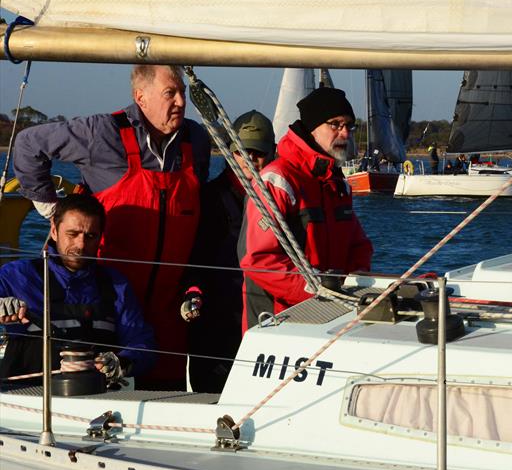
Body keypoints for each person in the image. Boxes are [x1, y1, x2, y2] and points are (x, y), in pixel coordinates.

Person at [12, 65, 210, 390]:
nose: (180, 102)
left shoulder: (196, 141)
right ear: (140, 97)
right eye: (169, 93)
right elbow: (28, 144)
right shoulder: (101, 132)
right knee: (103, 394)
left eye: (182, 93)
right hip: (109, 302)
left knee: (166, 398)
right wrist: (53, 211)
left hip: (168, 308)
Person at [238, 87, 373, 332]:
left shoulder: (337, 183)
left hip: (334, 315)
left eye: (349, 126)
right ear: (313, 127)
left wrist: (355, 283)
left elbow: (359, 245)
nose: (345, 133)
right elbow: (258, 260)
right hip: (281, 321)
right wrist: (315, 290)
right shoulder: (278, 180)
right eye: (335, 124)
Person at [0, 194, 155, 384]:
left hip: (96, 397)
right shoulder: (17, 275)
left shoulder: (115, 284)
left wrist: (123, 361)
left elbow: (141, 340)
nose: (81, 245)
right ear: (54, 231)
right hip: (25, 397)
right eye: (72, 234)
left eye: (90, 236)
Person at [183, 110, 275, 393]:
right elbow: (193, 256)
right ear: (229, 153)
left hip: (264, 319)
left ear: (271, 155)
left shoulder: (281, 200)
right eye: (242, 152)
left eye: (258, 153)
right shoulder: (208, 199)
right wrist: (192, 291)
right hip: (216, 321)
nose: (250, 160)